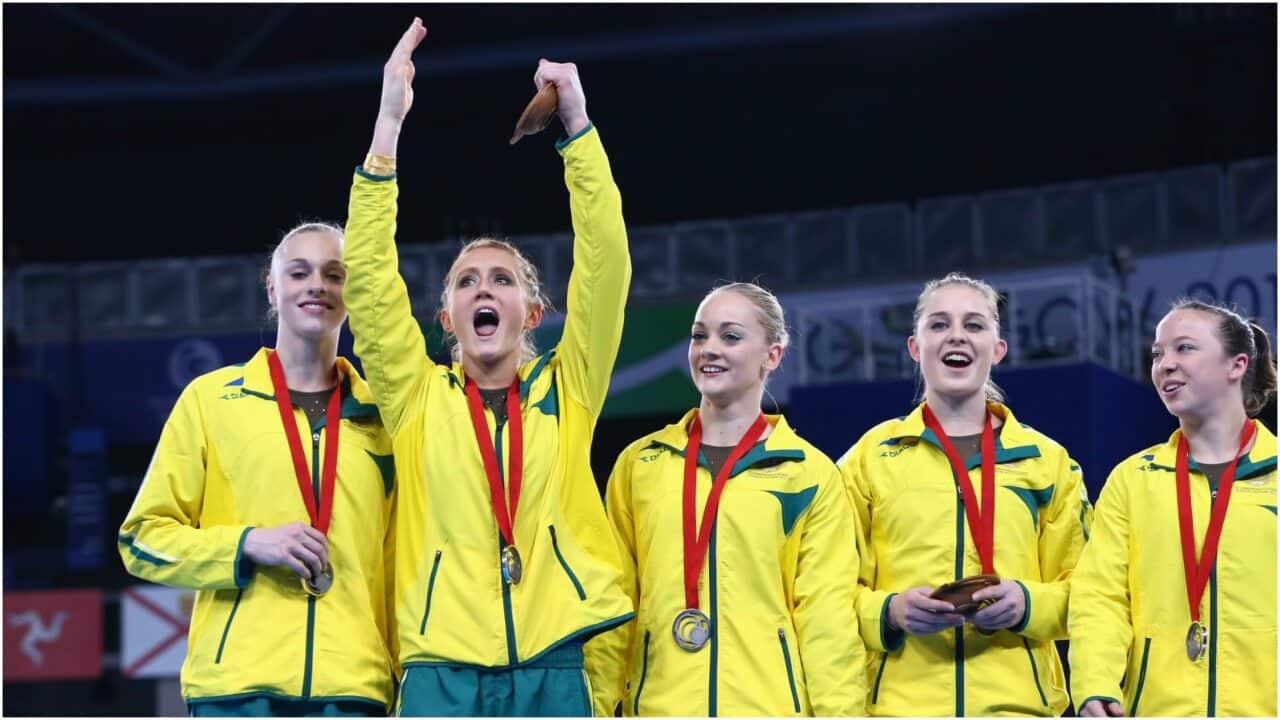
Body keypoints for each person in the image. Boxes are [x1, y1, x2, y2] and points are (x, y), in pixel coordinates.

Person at [342, 18, 634, 717]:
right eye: (467, 281)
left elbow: (606, 266)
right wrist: (386, 129)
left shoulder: (571, 390)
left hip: (557, 660)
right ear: (445, 320)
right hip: (439, 666)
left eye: (502, 280)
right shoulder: (415, 401)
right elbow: (370, 285)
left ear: (533, 314)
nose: (483, 290)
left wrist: (578, 128)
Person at [119, 222, 398, 716]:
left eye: (335, 274)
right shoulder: (211, 400)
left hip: (355, 689)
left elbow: (404, 563)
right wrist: (247, 543)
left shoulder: (385, 416)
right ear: (273, 288)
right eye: (299, 272)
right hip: (238, 689)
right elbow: (142, 540)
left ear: (352, 290)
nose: (317, 285)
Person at [584, 282, 865, 716]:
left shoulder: (808, 474)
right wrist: (595, 709)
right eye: (700, 335)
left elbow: (827, 622)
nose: (709, 349)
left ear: (772, 356)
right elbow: (613, 607)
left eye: (730, 336)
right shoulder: (640, 465)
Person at [837, 272, 1090, 716]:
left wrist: (1027, 603)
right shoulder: (867, 460)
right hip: (900, 709)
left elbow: (1091, 594)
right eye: (939, 324)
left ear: (998, 349)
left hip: (1018, 708)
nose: (957, 336)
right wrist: (890, 611)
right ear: (915, 348)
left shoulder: (1047, 462)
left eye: (974, 325)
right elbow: (827, 595)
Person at [1069, 299, 1277, 717]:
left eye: (1184, 348)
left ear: (1236, 365)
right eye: (1158, 354)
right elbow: (1101, 597)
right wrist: (1095, 683)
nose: (1165, 365)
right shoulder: (1133, 479)